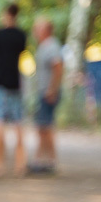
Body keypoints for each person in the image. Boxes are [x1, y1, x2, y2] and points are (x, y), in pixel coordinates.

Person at [0, 4, 28, 177]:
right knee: (18, 124)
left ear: (5, 14)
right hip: (15, 83)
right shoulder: (21, 35)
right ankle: (20, 165)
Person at [29, 17, 63, 174]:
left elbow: (58, 67)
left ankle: (49, 161)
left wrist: (52, 89)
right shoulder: (44, 46)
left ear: (45, 30)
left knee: (45, 126)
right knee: (42, 127)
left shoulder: (51, 46)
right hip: (44, 91)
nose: (35, 32)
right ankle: (43, 160)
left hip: (48, 92)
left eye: (37, 28)